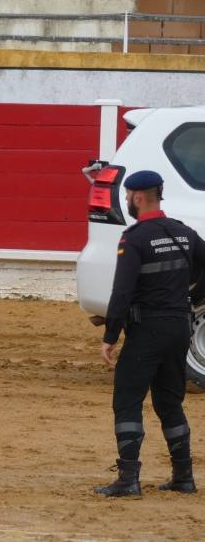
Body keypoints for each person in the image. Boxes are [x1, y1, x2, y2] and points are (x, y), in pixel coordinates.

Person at [95, 170, 205, 497]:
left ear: (138, 197)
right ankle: (183, 476)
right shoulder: (183, 233)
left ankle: (128, 478)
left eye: (128, 196)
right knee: (170, 401)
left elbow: (122, 292)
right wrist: (194, 297)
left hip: (147, 330)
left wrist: (110, 335)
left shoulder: (136, 237)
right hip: (179, 328)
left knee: (127, 399)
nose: (127, 201)